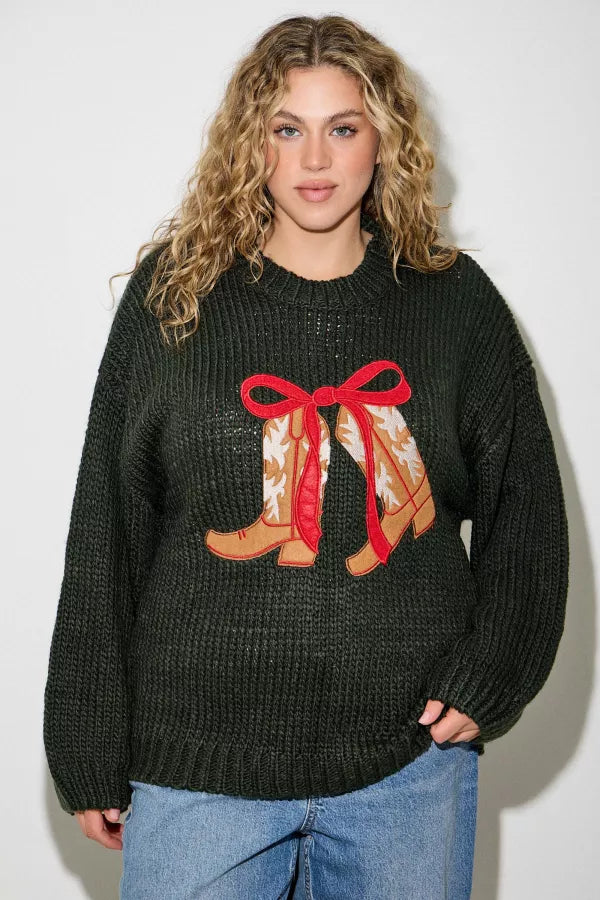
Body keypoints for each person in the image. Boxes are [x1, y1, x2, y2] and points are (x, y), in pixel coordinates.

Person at [43, 13, 569, 899]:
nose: (315, 159)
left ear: (383, 144)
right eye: (288, 129)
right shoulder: (175, 300)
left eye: (343, 128)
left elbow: (528, 507)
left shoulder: (455, 307)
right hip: (196, 766)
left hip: (407, 770)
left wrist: (496, 672)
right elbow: (108, 527)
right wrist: (88, 741)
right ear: (254, 144)